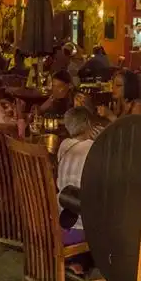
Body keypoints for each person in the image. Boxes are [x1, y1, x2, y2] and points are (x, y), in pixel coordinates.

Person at [56, 106, 95, 247]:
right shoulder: (92, 147)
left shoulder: (63, 145)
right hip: (81, 229)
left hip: (61, 224)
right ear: (89, 125)